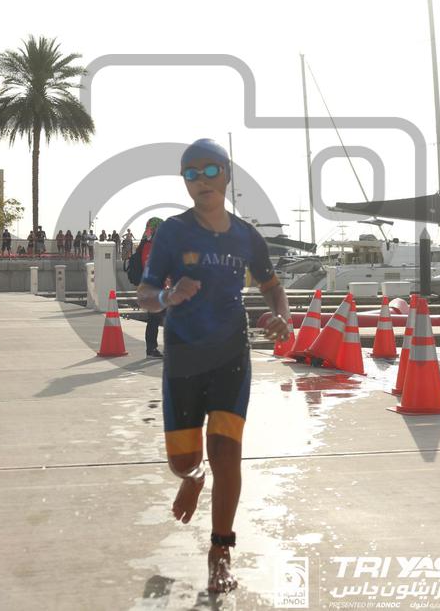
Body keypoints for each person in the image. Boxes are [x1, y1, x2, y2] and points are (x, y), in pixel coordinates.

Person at [137, 139, 290, 593]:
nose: (201, 180)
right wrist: (168, 296)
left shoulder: (246, 236)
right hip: (184, 356)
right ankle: (193, 477)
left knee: (227, 453)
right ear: (184, 181)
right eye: (191, 173)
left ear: (226, 174)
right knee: (182, 461)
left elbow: (272, 286)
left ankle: (221, 549)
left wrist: (282, 317)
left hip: (231, 355)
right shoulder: (172, 232)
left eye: (210, 171)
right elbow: (145, 294)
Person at [139, 217, 165, 359]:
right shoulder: (149, 246)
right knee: (155, 319)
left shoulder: (154, 244)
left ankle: (154, 348)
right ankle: (151, 348)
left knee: (159, 318)